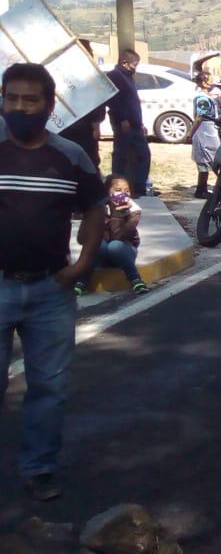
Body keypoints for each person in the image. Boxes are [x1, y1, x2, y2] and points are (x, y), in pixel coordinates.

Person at [1, 63, 108, 501]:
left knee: (49, 388)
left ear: (48, 106)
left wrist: (83, 264)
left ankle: (39, 469)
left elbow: (97, 208)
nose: (20, 107)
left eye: (31, 100)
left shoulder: (70, 156)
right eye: (12, 99)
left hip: (51, 291)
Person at [73, 174, 150, 296]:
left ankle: (136, 280)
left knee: (114, 246)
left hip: (123, 252)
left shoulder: (134, 211)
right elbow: (81, 239)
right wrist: (92, 217)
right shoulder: (97, 209)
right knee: (98, 245)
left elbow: (118, 237)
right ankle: (81, 282)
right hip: (100, 256)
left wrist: (118, 213)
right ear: (107, 192)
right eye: (118, 190)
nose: (123, 194)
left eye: (126, 191)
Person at [105, 49, 151, 196]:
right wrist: (122, 118)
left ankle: (139, 187)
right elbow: (114, 100)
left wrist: (141, 123)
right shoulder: (115, 76)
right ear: (124, 62)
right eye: (134, 64)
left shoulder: (128, 77)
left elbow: (133, 102)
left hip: (135, 124)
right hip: (124, 123)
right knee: (121, 156)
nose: (135, 68)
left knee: (143, 155)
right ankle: (118, 188)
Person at [191, 72, 221, 199]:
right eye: (210, 80)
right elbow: (199, 118)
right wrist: (190, 133)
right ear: (203, 83)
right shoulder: (202, 98)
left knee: (208, 160)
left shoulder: (208, 97)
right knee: (210, 159)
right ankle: (203, 189)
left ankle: (201, 188)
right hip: (205, 131)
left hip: (209, 130)